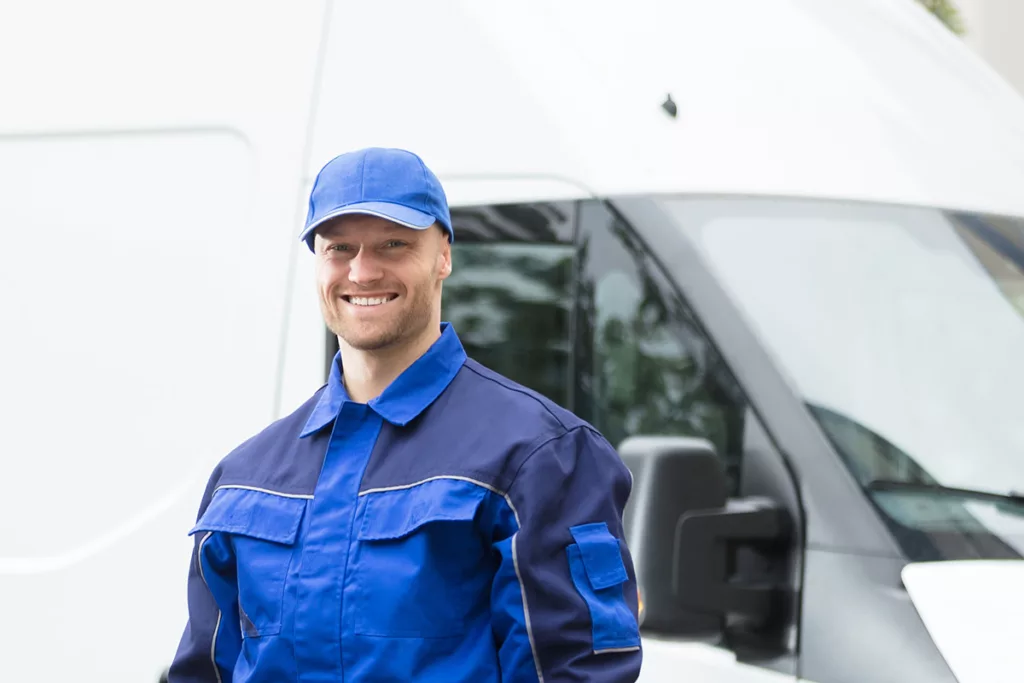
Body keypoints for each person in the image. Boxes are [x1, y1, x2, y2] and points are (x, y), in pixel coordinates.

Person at [167, 147, 643, 682]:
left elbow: (575, 673)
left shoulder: (541, 457)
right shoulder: (245, 478)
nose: (362, 271)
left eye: (393, 244)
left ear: (444, 255)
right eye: (339, 248)